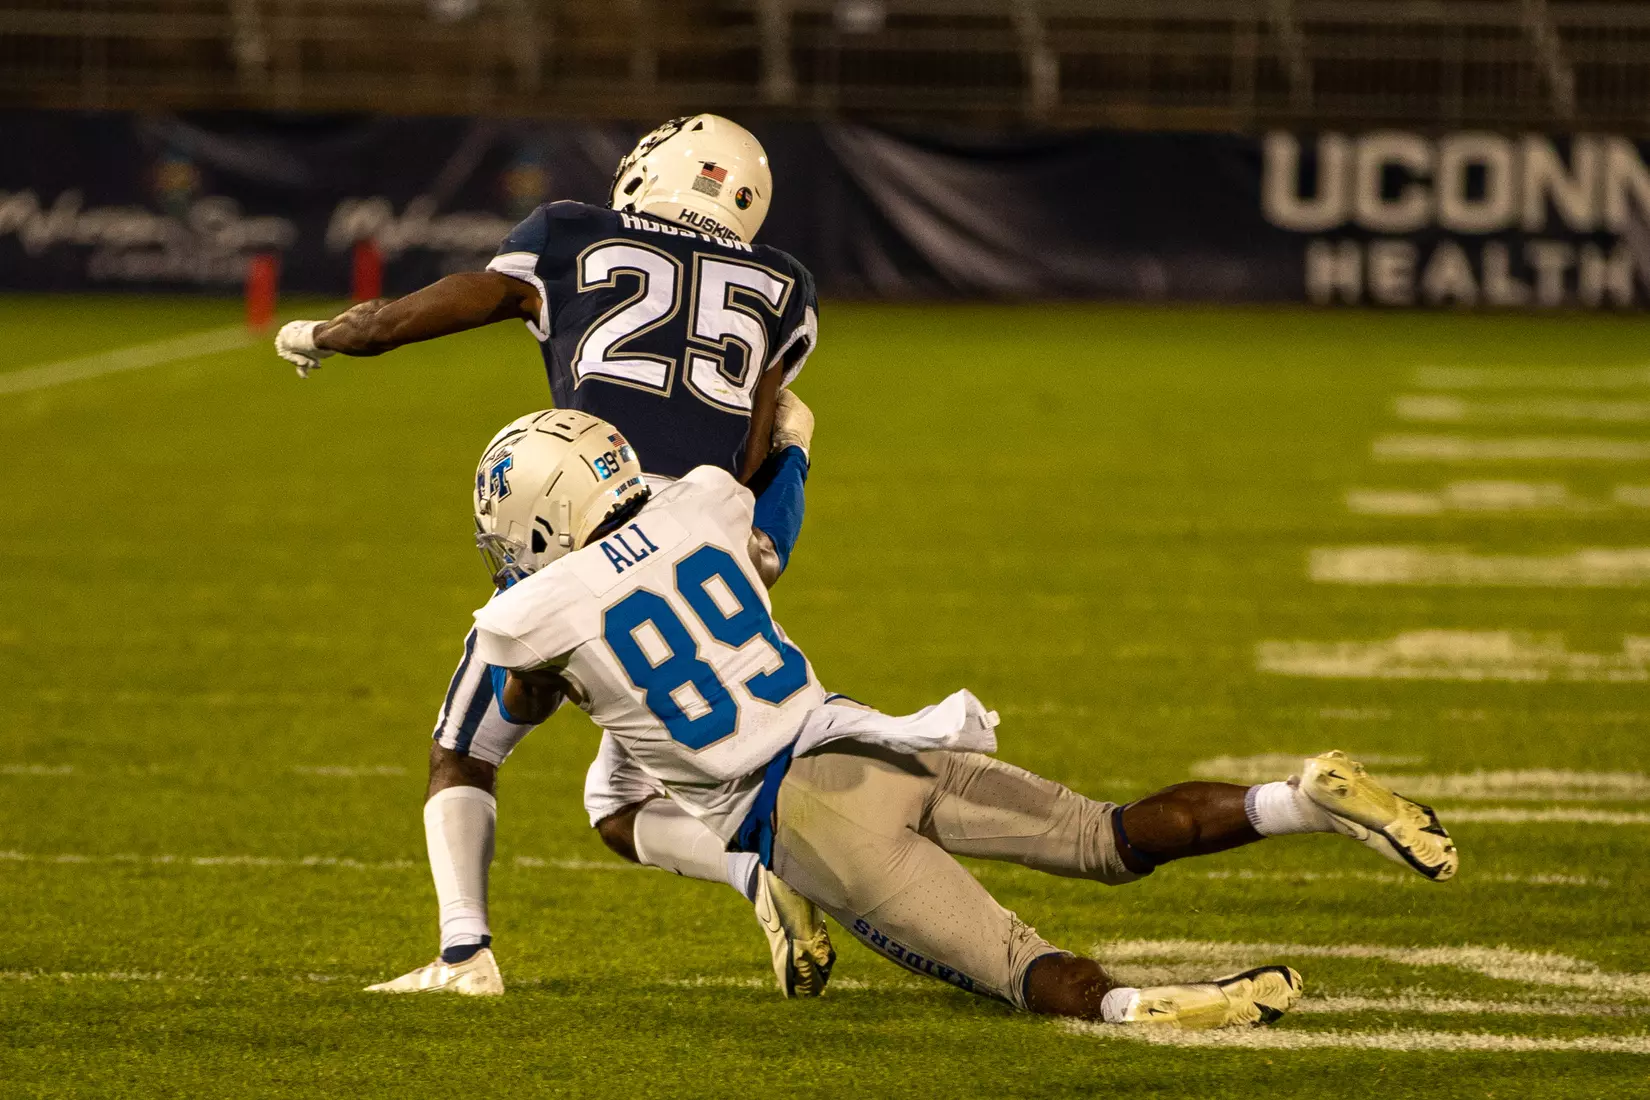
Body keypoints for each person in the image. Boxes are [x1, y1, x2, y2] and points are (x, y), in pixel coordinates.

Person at [417, 408, 1459, 1026]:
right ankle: (1300, 798)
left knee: (1012, 963)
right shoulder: (700, 501)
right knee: (1109, 831)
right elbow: (765, 509)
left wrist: (556, 663)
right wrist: (795, 442)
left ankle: (1137, 1008)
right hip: (881, 737)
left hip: (807, 818)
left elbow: (514, 704)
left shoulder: (526, 616)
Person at [276, 116, 833, 997]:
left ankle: (464, 956)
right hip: (709, 544)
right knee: (620, 809)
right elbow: (755, 450)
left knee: (465, 748)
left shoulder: (573, 230)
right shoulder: (783, 284)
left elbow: (470, 295)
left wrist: (348, 331)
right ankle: (760, 873)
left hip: (591, 514)